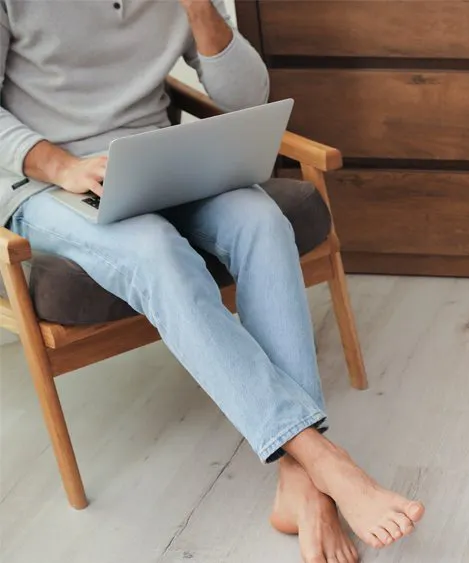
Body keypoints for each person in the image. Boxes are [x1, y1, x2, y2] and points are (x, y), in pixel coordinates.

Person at [0, 1, 423, 561]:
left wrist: (200, 8)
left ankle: (299, 484)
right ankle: (321, 461)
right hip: (47, 185)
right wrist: (62, 167)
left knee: (261, 222)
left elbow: (246, 97)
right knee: (156, 251)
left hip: (159, 162)